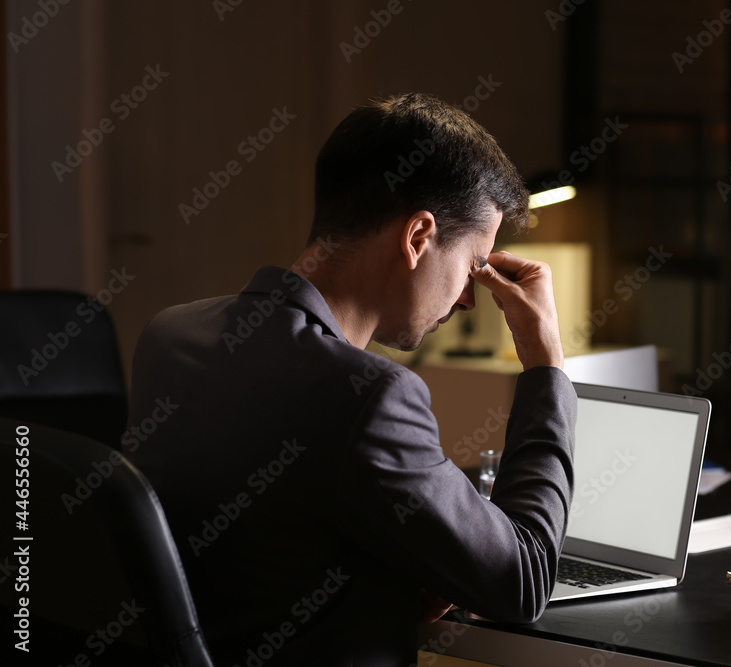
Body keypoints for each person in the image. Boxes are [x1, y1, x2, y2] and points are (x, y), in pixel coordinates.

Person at [125, 92, 576, 666]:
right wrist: (545, 359)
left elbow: (251, 554)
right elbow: (525, 579)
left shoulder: (170, 334)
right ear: (418, 237)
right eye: (472, 266)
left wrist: (378, 583)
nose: (469, 298)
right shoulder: (372, 397)